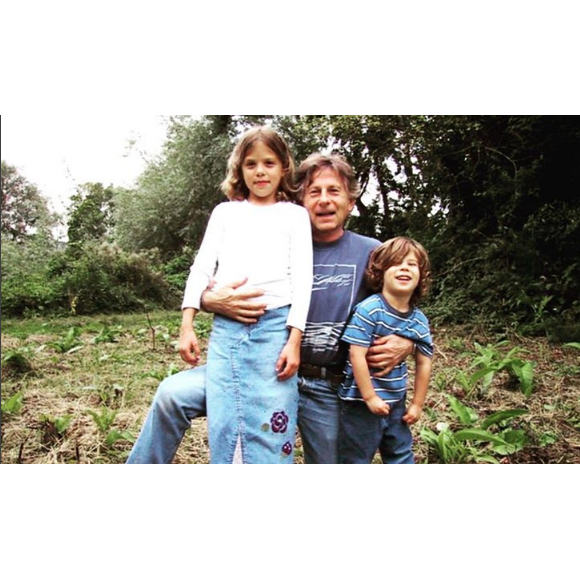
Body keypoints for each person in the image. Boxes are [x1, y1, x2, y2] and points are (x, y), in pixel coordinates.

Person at [127, 153, 413, 464]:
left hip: (323, 386)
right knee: (173, 395)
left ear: (351, 201)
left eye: (334, 191)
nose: (324, 201)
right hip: (259, 367)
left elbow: (403, 306)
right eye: (314, 192)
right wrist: (210, 300)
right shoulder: (271, 238)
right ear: (299, 199)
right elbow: (212, 277)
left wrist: (407, 341)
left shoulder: (372, 252)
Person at [178, 126, 312, 463]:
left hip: (275, 329)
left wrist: (294, 340)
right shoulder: (225, 213)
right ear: (240, 169)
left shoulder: (295, 216)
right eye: (251, 164)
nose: (260, 171)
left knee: (272, 419)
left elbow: (303, 281)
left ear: (284, 167)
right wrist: (187, 324)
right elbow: (202, 268)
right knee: (227, 416)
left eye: (269, 162)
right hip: (227, 331)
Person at [338, 237, 433, 464]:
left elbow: (424, 362)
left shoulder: (419, 320)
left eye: (411, 264)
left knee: (401, 456)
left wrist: (417, 404)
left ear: (421, 275)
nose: (404, 268)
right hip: (360, 404)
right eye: (396, 263)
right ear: (380, 273)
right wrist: (370, 397)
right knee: (355, 458)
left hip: (397, 402)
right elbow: (356, 354)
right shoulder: (369, 310)